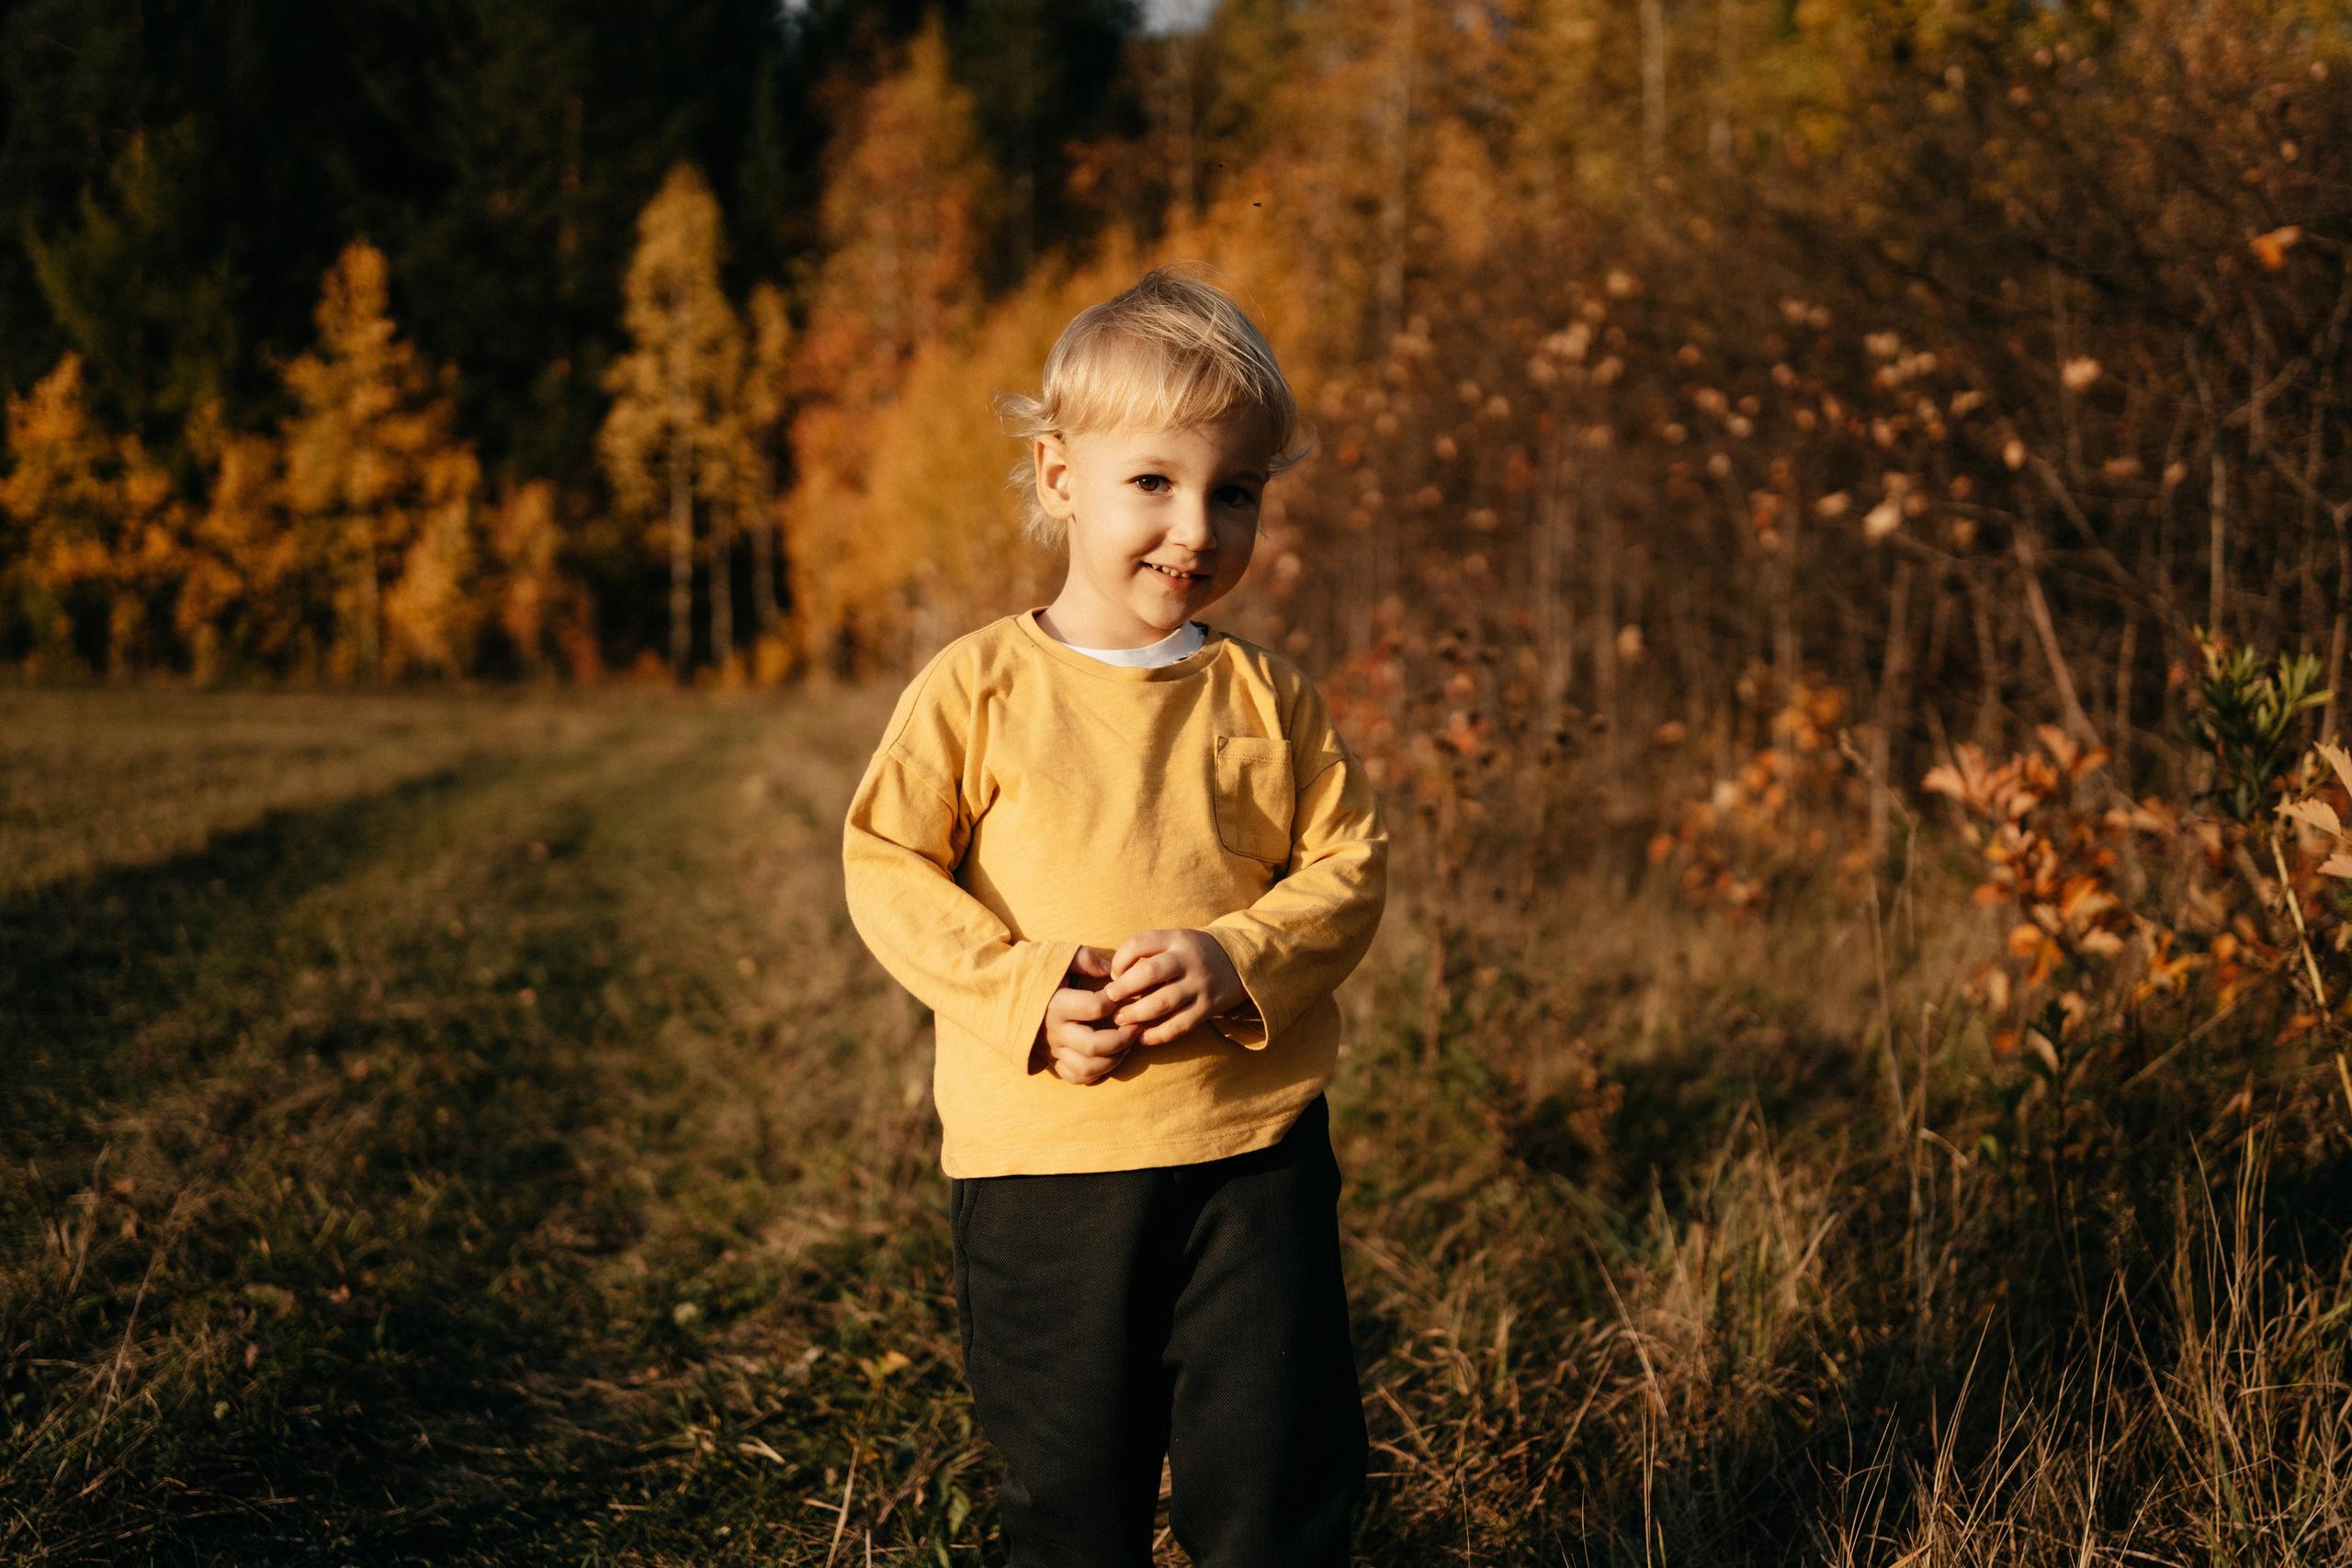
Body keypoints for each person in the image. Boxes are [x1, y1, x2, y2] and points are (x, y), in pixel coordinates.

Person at [842, 265, 1388, 1568]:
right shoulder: (976, 686)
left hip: (1250, 1162)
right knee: (1071, 1502)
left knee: (1273, 1490)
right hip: (1041, 1172)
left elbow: (1347, 868)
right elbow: (886, 865)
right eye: (1154, 481)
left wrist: (1237, 955)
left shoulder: (1267, 700)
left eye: (1234, 490)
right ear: (1058, 475)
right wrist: (1024, 991)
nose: (1195, 527)